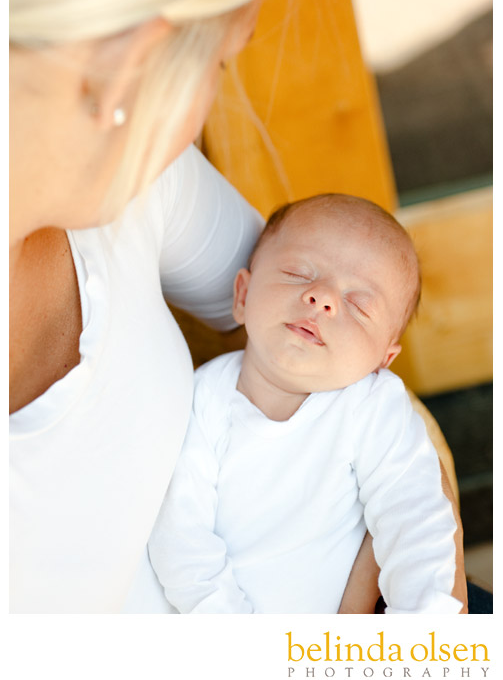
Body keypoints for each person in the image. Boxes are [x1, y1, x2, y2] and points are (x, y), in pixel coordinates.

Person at [9, 0, 296, 613]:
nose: (207, 101)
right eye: (219, 64)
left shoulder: (133, 172)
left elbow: (341, 310)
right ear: (128, 66)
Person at [149, 194, 466, 614]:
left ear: (382, 360)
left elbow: (418, 523)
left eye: (358, 304)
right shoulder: (200, 400)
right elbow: (181, 540)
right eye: (298, 274)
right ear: (242, 295)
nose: (322, 298)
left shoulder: (371, 405)